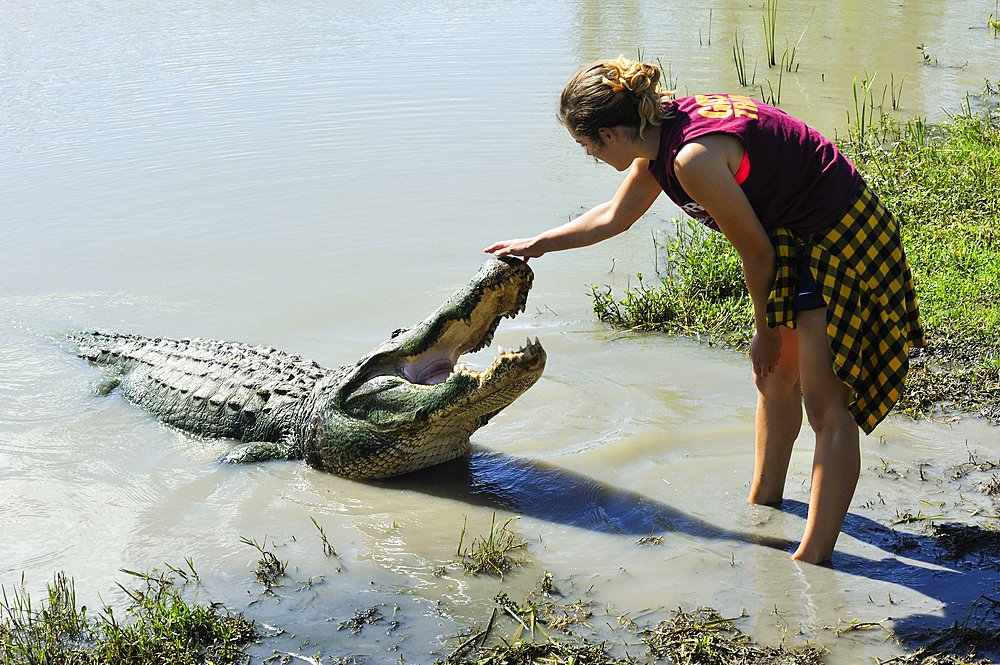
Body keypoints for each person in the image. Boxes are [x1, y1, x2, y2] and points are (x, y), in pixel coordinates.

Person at [484, 55, 925, 564]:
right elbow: (613, 216)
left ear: (609, 134)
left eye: (586, 146)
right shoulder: (658, 137)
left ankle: (813, 561)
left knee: (827, 407)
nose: (589, 156)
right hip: (794, 238)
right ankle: (765, 504)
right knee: (774, 380)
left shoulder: (691, 159)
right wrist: (537, 243)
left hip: (839, 237)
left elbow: (756, 251)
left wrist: (764, 330)